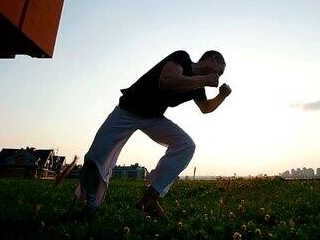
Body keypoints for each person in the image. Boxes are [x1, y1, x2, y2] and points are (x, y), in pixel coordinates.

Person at [75, 50, 231, 218]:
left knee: (186, 145)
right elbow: (167, 81)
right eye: (219, 71)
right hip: (127, 111)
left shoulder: (197, 86)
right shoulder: (182, 58)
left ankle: (149, 199)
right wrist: (206, 79)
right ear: (213, 59)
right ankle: (90, 206)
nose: (218, 76)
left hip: (153, 118)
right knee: (95, 158)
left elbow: (206, 108)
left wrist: (222, 96)